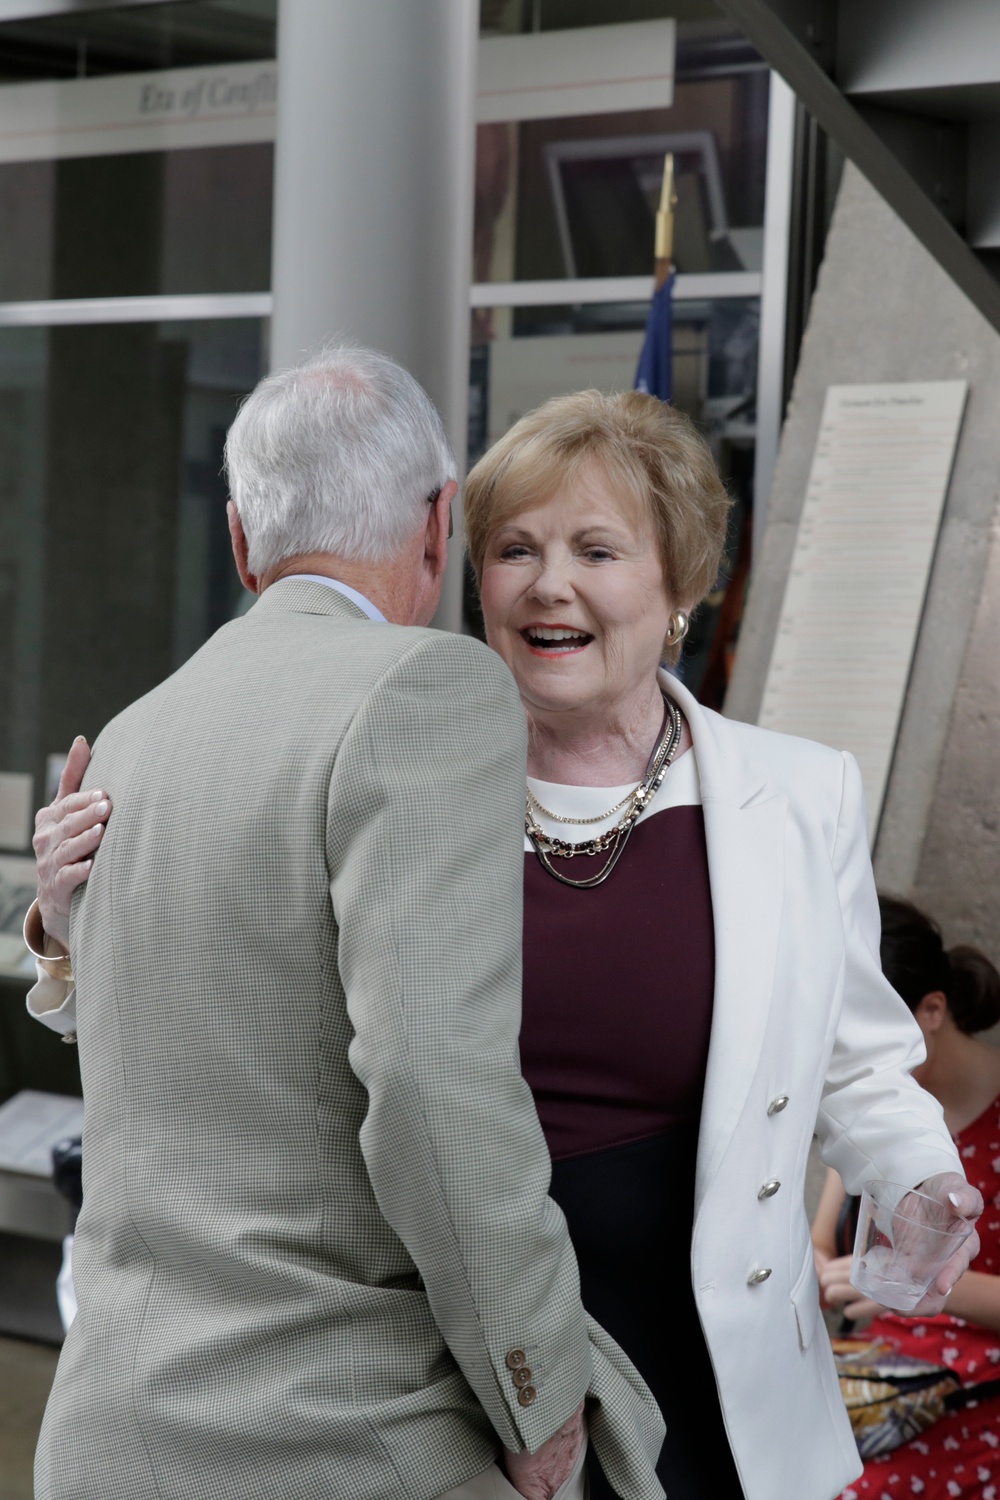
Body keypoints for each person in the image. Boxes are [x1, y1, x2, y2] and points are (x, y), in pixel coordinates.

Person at [29, 387, 982, 1500]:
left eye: (596, 549)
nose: (548, 582)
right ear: (459, 563)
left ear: (678, 583)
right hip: (460, 1356)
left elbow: (857, 1055)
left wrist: (914, 1173)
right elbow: (236, 1004)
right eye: (514, 548)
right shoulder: (401, 754)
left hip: (713, 1358)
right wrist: (63, 920)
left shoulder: (802, 790)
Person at [23, 347, 665, 1500]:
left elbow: (198, 1047)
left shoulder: (131, 732)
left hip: (110, 1435)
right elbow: (430, 1081)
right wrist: (537, 1391)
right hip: (338, 1441)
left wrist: (60, 940)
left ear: (235, 540)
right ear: (438, 526)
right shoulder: (427, 687)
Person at [812, 896, 1000, 1500]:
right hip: (876, 1375)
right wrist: (819, 1271)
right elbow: (823, 1242)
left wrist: (916, 1279)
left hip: (975, 1387)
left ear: (932, 1012)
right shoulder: (877, 1117)